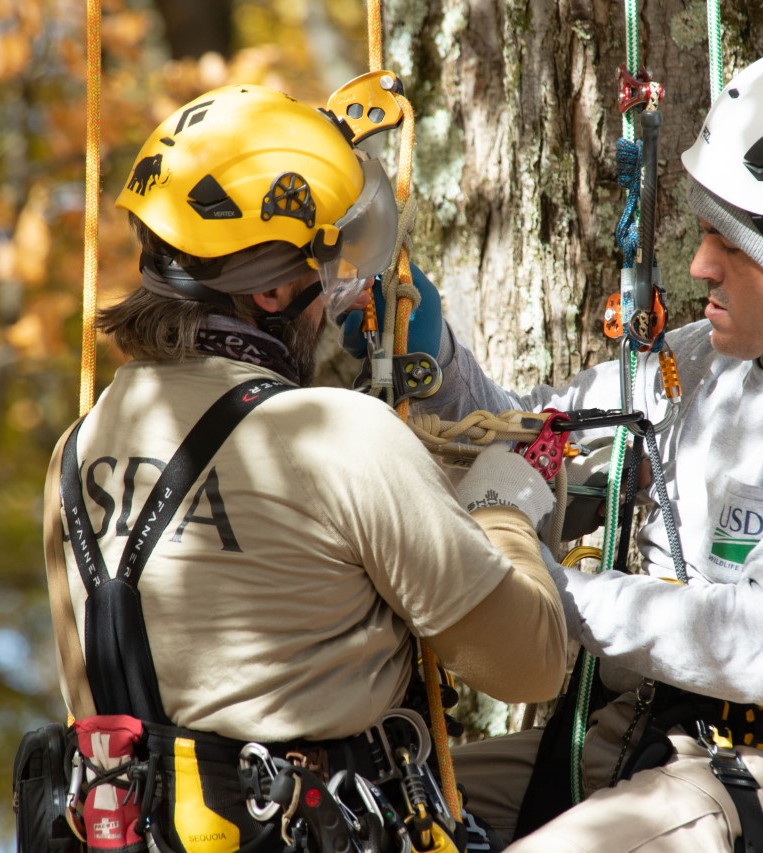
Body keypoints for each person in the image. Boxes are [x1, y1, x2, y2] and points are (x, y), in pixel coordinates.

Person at [388, 40, 763, 851]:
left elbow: (761, 645)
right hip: (653, 749)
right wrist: (432, 362)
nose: (701, 263)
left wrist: (536, 593)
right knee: (386, 806)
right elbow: (531, 438)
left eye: (733, 245)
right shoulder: (703, 362)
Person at [41, 84, 567, 853]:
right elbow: (531, 664)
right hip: (315, 827)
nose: (345, 288)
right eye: (333, 263)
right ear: (273, 289)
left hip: (154, 826)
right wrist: (501, 508)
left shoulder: (74, 453)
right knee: (622, 774)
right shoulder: (332, 436)